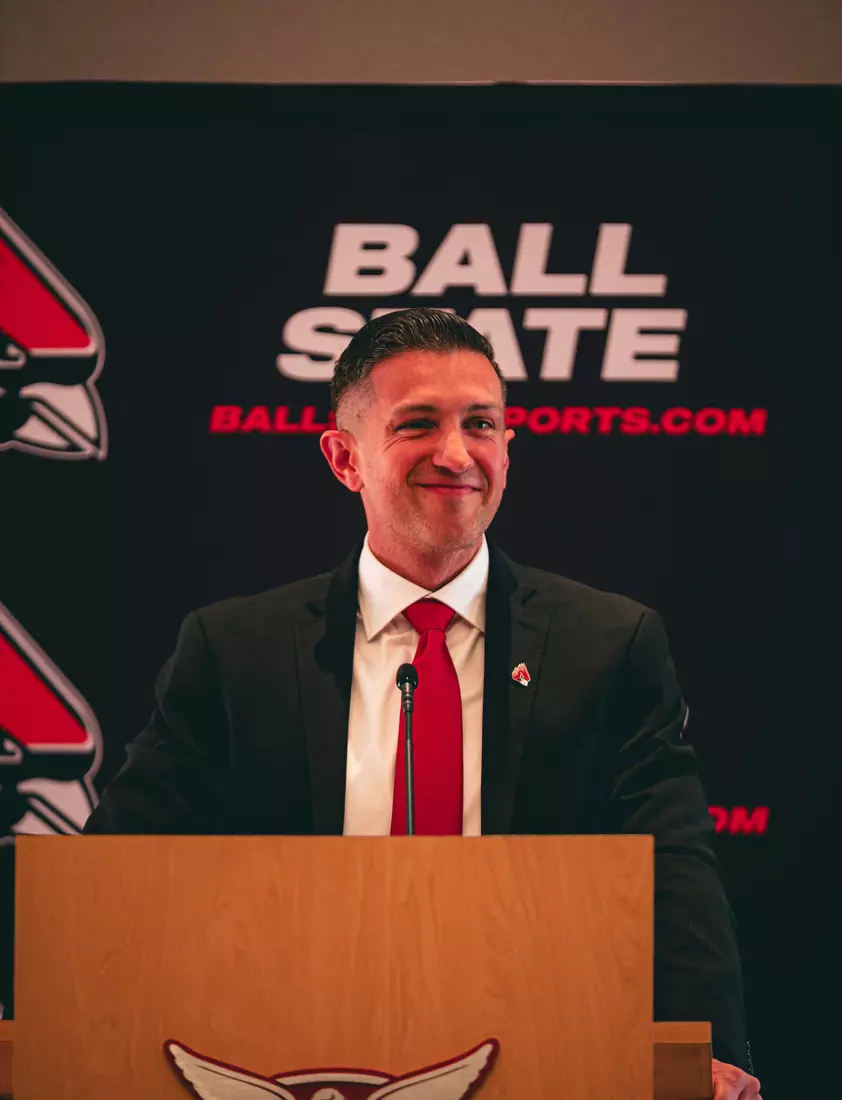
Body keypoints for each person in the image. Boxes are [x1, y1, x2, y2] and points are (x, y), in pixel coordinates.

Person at [85, 308, 762, 1100]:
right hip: (296, 1057)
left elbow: (671, 867)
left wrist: (705, 1049)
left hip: (544, 1052)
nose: (457, 453)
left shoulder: (608, 645)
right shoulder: (234, 651)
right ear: (344, 457)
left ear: (508, 448)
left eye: (481, 423)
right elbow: (119, 873)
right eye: (418, 424)